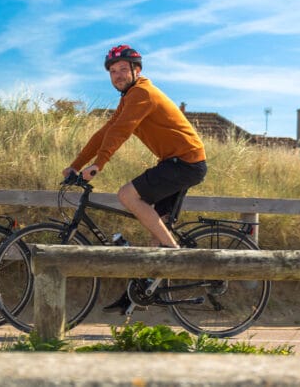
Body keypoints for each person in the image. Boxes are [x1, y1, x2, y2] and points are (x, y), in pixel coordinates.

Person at [62, 45, 207, 314]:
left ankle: (174, 254)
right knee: (156, 229)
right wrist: (75, 165)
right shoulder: (128, 97)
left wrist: (98, 164)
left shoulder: (141, 93)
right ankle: (140, 295)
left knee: (127, 195)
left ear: (136, 70)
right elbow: (104, 133)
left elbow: (120, 132)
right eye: (112, 71)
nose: (117, 75)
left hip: (185, 163)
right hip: (177, 163)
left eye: (122, 69)